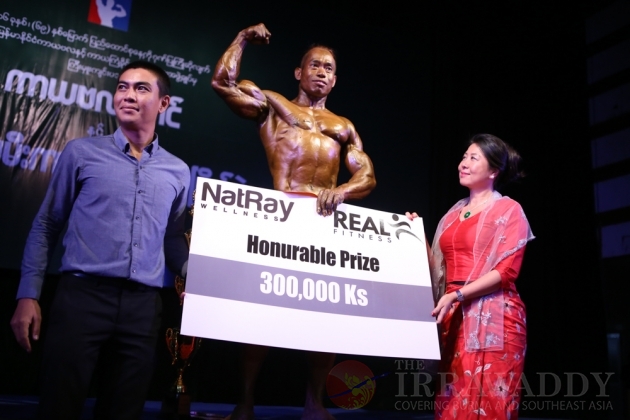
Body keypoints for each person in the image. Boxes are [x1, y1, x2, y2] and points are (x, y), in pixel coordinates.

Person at [211, 23, 376, 420]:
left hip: (323, 222)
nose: (321, 71)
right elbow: (222, 83)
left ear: (335, 80)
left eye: (329, 68)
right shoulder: (273, 105)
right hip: (281, 219)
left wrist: (343, 191)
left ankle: (314, 402)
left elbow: (367, 176)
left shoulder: (344, 127)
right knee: (262, 314)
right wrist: (242, 39)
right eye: (314, 65)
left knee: (325, 315)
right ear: (299, 72)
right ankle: (245, 402)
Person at [9, 61, 190, 420]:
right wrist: (28, 294)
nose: (127, 95)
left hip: (142, 310)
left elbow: (171, 239)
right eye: (122, 87)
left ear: (164, 103)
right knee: (58, 408)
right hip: (81, 300)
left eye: (140, 88)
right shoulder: (81, 153)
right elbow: (46, 225)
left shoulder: (178, 171)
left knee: (123, 412)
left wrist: (199, 278)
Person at [407, 133, 534, 419]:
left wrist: (458, 294)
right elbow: (438, 271)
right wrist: (416, 235)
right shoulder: (453, 214)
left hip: (495, 314)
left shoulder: (509, 209)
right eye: (464, 157)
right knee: (452, 403)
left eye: (473, 158)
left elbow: (506, 272)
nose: (463, 163)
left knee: (488, 403)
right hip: (454, 315)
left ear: (493, 171)